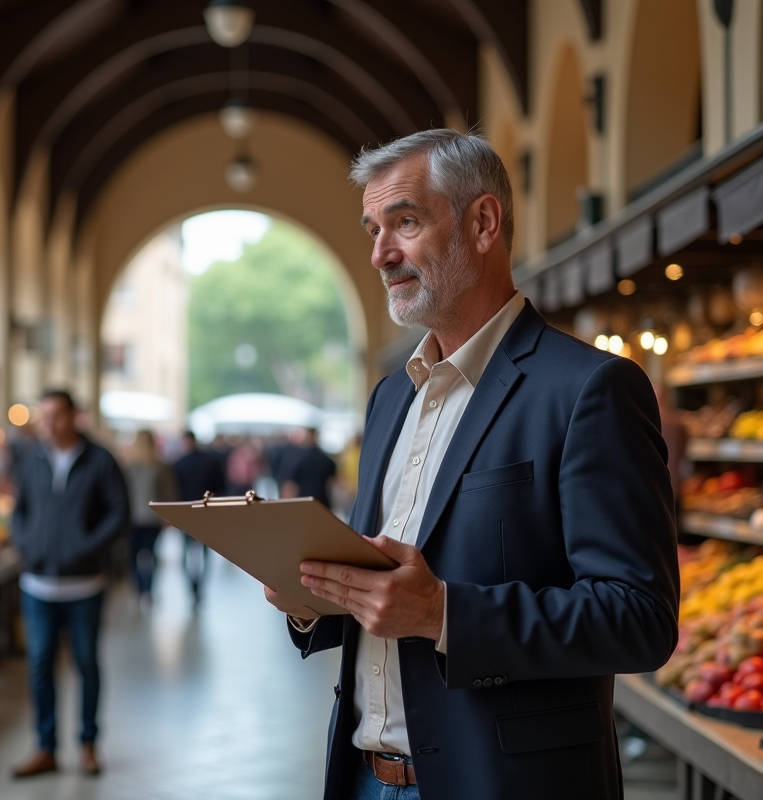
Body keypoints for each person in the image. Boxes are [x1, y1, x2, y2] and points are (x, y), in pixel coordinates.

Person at [266, 130, 679, 800]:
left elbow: (639, 619)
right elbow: (389, 593)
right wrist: (310, 601)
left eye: (405, 222)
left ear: (483, 223)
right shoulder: (390, 397)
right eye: (373, 230)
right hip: (364, 778)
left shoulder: (589, 389)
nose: (380, 253)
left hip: (507, 784)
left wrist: (445, 614)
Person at [11, 389, 129, 779]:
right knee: (39, 665)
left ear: (74, 416)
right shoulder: (32, 458)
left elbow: (119, 512)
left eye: (56, 416)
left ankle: (88, 744)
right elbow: (19, 509)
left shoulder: (100, 460)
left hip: (84, 585)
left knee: (86, 664)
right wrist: (26, 543)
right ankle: (45, 747)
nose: (48, 424)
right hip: (37, 585)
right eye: (43, 416)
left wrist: (86, 547)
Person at [122, 429, 177, 608]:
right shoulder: (160, 466)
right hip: (151, 518)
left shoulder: (128, 466)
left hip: (132, 519)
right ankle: (147, 591)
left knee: (134, 557)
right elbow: (168, 494)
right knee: (149, 556)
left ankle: (138, 591)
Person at [171, 430, 226, 605]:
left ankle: (191, 587)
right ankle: (200, 586)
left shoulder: (178, 463)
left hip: (186, 513)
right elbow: (221, 488)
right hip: (206, 512)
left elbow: (174, 492)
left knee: (186, 552)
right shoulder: (211, 461)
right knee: (205, 553)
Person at [278, 427, 338, 507]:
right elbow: (333, 483)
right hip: (322, 503)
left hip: (302, 501)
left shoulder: (297, 458)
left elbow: (290, 485)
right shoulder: (326, 459)